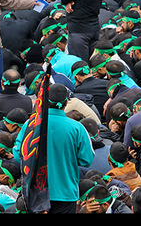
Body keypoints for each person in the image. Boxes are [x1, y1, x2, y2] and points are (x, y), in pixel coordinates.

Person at [14, 83, 95, 213]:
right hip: (65, 193)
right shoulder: (77, 128)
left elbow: (19, 155)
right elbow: (87, 159)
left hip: (36, 193)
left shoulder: (30, 125)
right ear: (67, 102)